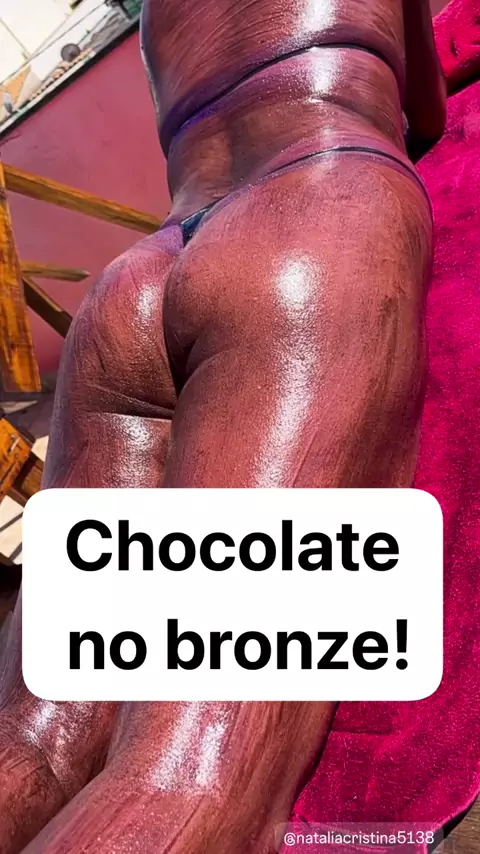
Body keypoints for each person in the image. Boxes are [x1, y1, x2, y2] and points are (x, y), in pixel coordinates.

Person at [0, 0, 447, 851]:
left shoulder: (156, 12)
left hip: (141, 275)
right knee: (181, 779)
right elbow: (425, 109)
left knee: (33, 736)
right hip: (313, 207)